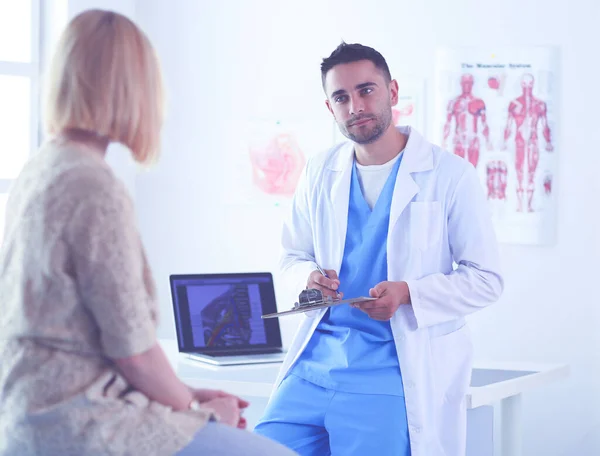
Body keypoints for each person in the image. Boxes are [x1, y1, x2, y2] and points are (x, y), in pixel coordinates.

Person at [0, 9, 295, 456]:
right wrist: (205, 413)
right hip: (83, 424)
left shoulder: (41, 169)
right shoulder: (93, 184)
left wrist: (186, 394)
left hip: (30, 413)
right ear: (134, 89)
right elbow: (134, 353)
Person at [253, 42, 504, 456]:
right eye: (341, 97)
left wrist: (410, 293)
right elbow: (291, 255)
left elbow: (486, 279)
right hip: (315, 366)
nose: (355, 105)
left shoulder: (451, 176)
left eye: (366, 90)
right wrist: (309, 279)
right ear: (330, 107)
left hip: (393, 371)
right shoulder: (320, 171)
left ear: (393, 91)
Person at [442, 73, 492, 169]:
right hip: (459, 139)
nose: (467, 86)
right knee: (458, 168)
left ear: (472, 84)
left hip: (473, 138)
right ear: (461, 84)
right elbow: (447, 123)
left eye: (469, 83)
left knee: (473, 168)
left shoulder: (479, 102)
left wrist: (488, 141)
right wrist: (443, 140)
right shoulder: (453, 102)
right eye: (465, 83)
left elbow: (484, 123)